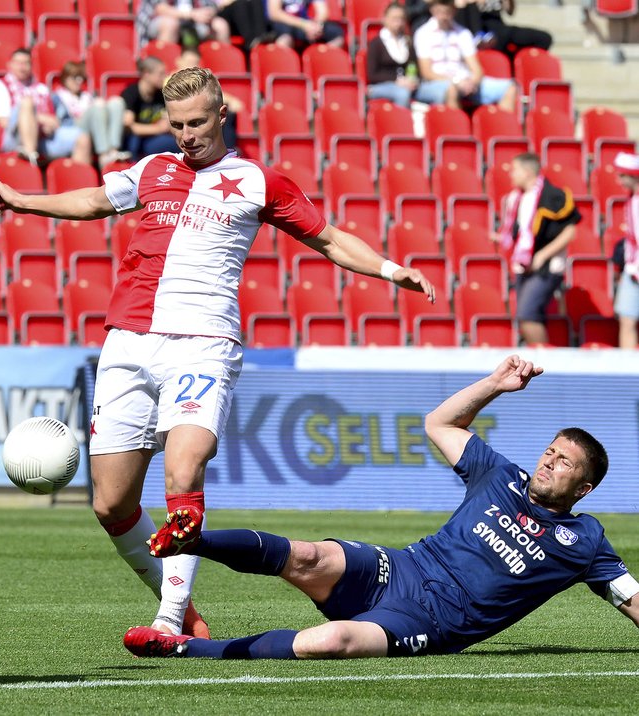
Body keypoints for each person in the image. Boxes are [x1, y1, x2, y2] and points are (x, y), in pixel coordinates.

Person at [0, 66, 436, 639]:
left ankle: (169, 620)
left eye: (197, 122)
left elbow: (329, 238)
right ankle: (182, 608)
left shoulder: (257, 180)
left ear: (221, 115)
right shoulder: (151, 169)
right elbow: (94, 200)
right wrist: (21, 199)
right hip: (127, 341)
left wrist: (392, 270)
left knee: (184, 466)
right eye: (176, 125)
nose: (187, 135)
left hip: (203, 342)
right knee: (111, 504)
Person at [125, 355, 639, 661]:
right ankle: (195, 540)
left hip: (434, 621)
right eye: (550, 451)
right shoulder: (501, 475)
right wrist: (494, 384)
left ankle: (181, 648)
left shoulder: (586, 542)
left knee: (331, 642)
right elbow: (441, 425)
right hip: (402, 568)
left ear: (585, 488)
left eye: (564, 462)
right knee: (308, 554)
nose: (549, 462)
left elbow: (629, 598)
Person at [495, 152, 579, 346]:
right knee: (528, 316)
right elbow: (524, 233)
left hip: (547, 266)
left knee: (528, 314)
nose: (511, 174)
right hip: (525, 266)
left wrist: (542, 255)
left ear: (526, 171)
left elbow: (569, 232)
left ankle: (544, 364)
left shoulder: (552, 195)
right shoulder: (516, 198)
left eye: (514, 170)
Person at [0, 48, 91, 167]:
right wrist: (37, 118)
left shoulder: (42, 88)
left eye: (26, 63)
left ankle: (79, 182)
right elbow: (4, 122)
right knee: (27, 103)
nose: (22, 67)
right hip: (13, 138)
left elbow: (54, 121)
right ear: (10, 64)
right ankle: (30, 155)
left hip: (43, 137)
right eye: (18, 63)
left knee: (82, 138)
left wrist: (38, 122)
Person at [413, 0, 517, 112]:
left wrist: (472, 82)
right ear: (432, 10)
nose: (443, 16)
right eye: (439, 11)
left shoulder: (463, 33)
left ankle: (502, 127)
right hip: (438, 83)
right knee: (452, 90)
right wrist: (456, 82)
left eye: (446, 12)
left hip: (464, 81)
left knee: (509, 88)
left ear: (453, 11)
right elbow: (427, 73)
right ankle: (458, 128)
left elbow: (476, 69)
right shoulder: (423, 33)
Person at [53, 61, 129, 169]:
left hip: (93, 129)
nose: (79, 81)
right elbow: (59, 123)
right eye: (75, 77)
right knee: (98, 106)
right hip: (74, 130)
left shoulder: (86, 96)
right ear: (66, 78)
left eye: (81, 78)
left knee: (116, 102)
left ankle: (113, 150)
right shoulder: (58, 97)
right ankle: (104, 154)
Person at [120, 56, 180, 161]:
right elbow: (128, 128)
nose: (165, 77)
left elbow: (168, 122)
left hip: (154, 138)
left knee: (178, 142)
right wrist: (158, 128)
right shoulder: (130, 93)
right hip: (134, 141)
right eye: (160, 73)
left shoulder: (161, 94)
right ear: (146, 74)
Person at [366, 3, 423, 108]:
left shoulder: (408, 42)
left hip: (407, 84)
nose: (399, 22)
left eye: (401, 19)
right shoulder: (376, 43)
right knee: (402, 94)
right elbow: (372, 75)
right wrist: (397, 80)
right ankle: (401, 122)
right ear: (385, 19)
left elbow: (414, 67)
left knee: (438, 91)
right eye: (394, 18)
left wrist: (413, 80)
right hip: (382, 85)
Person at [454, 0, 551, 60]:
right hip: (481, 30)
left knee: (544, 38)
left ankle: (515, 64)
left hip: (501, 29)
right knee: (499, 39)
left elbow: (510, 11)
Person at [612, 152, 639, 350]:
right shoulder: (631, 200)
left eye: (622, 175)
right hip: (632, 270)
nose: (619, 180)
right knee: (627, 319)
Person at [136, 0, 231, 50]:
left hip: (194, 23)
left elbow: (212, 5)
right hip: (159, 22)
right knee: (171, 24)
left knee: (220, 25)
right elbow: (160, 9)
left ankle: (224, 71)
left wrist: (209, 12)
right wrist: (191, 14)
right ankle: (166, 73)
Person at [267, 0, 345, 50]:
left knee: (336, 33)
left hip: (306, 25)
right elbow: (274, 13)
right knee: (285, 38)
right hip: (285, 23)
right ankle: (285, 69)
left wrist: (316, 26)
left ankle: (320, 64)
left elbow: (323, 12)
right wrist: (304, 24)